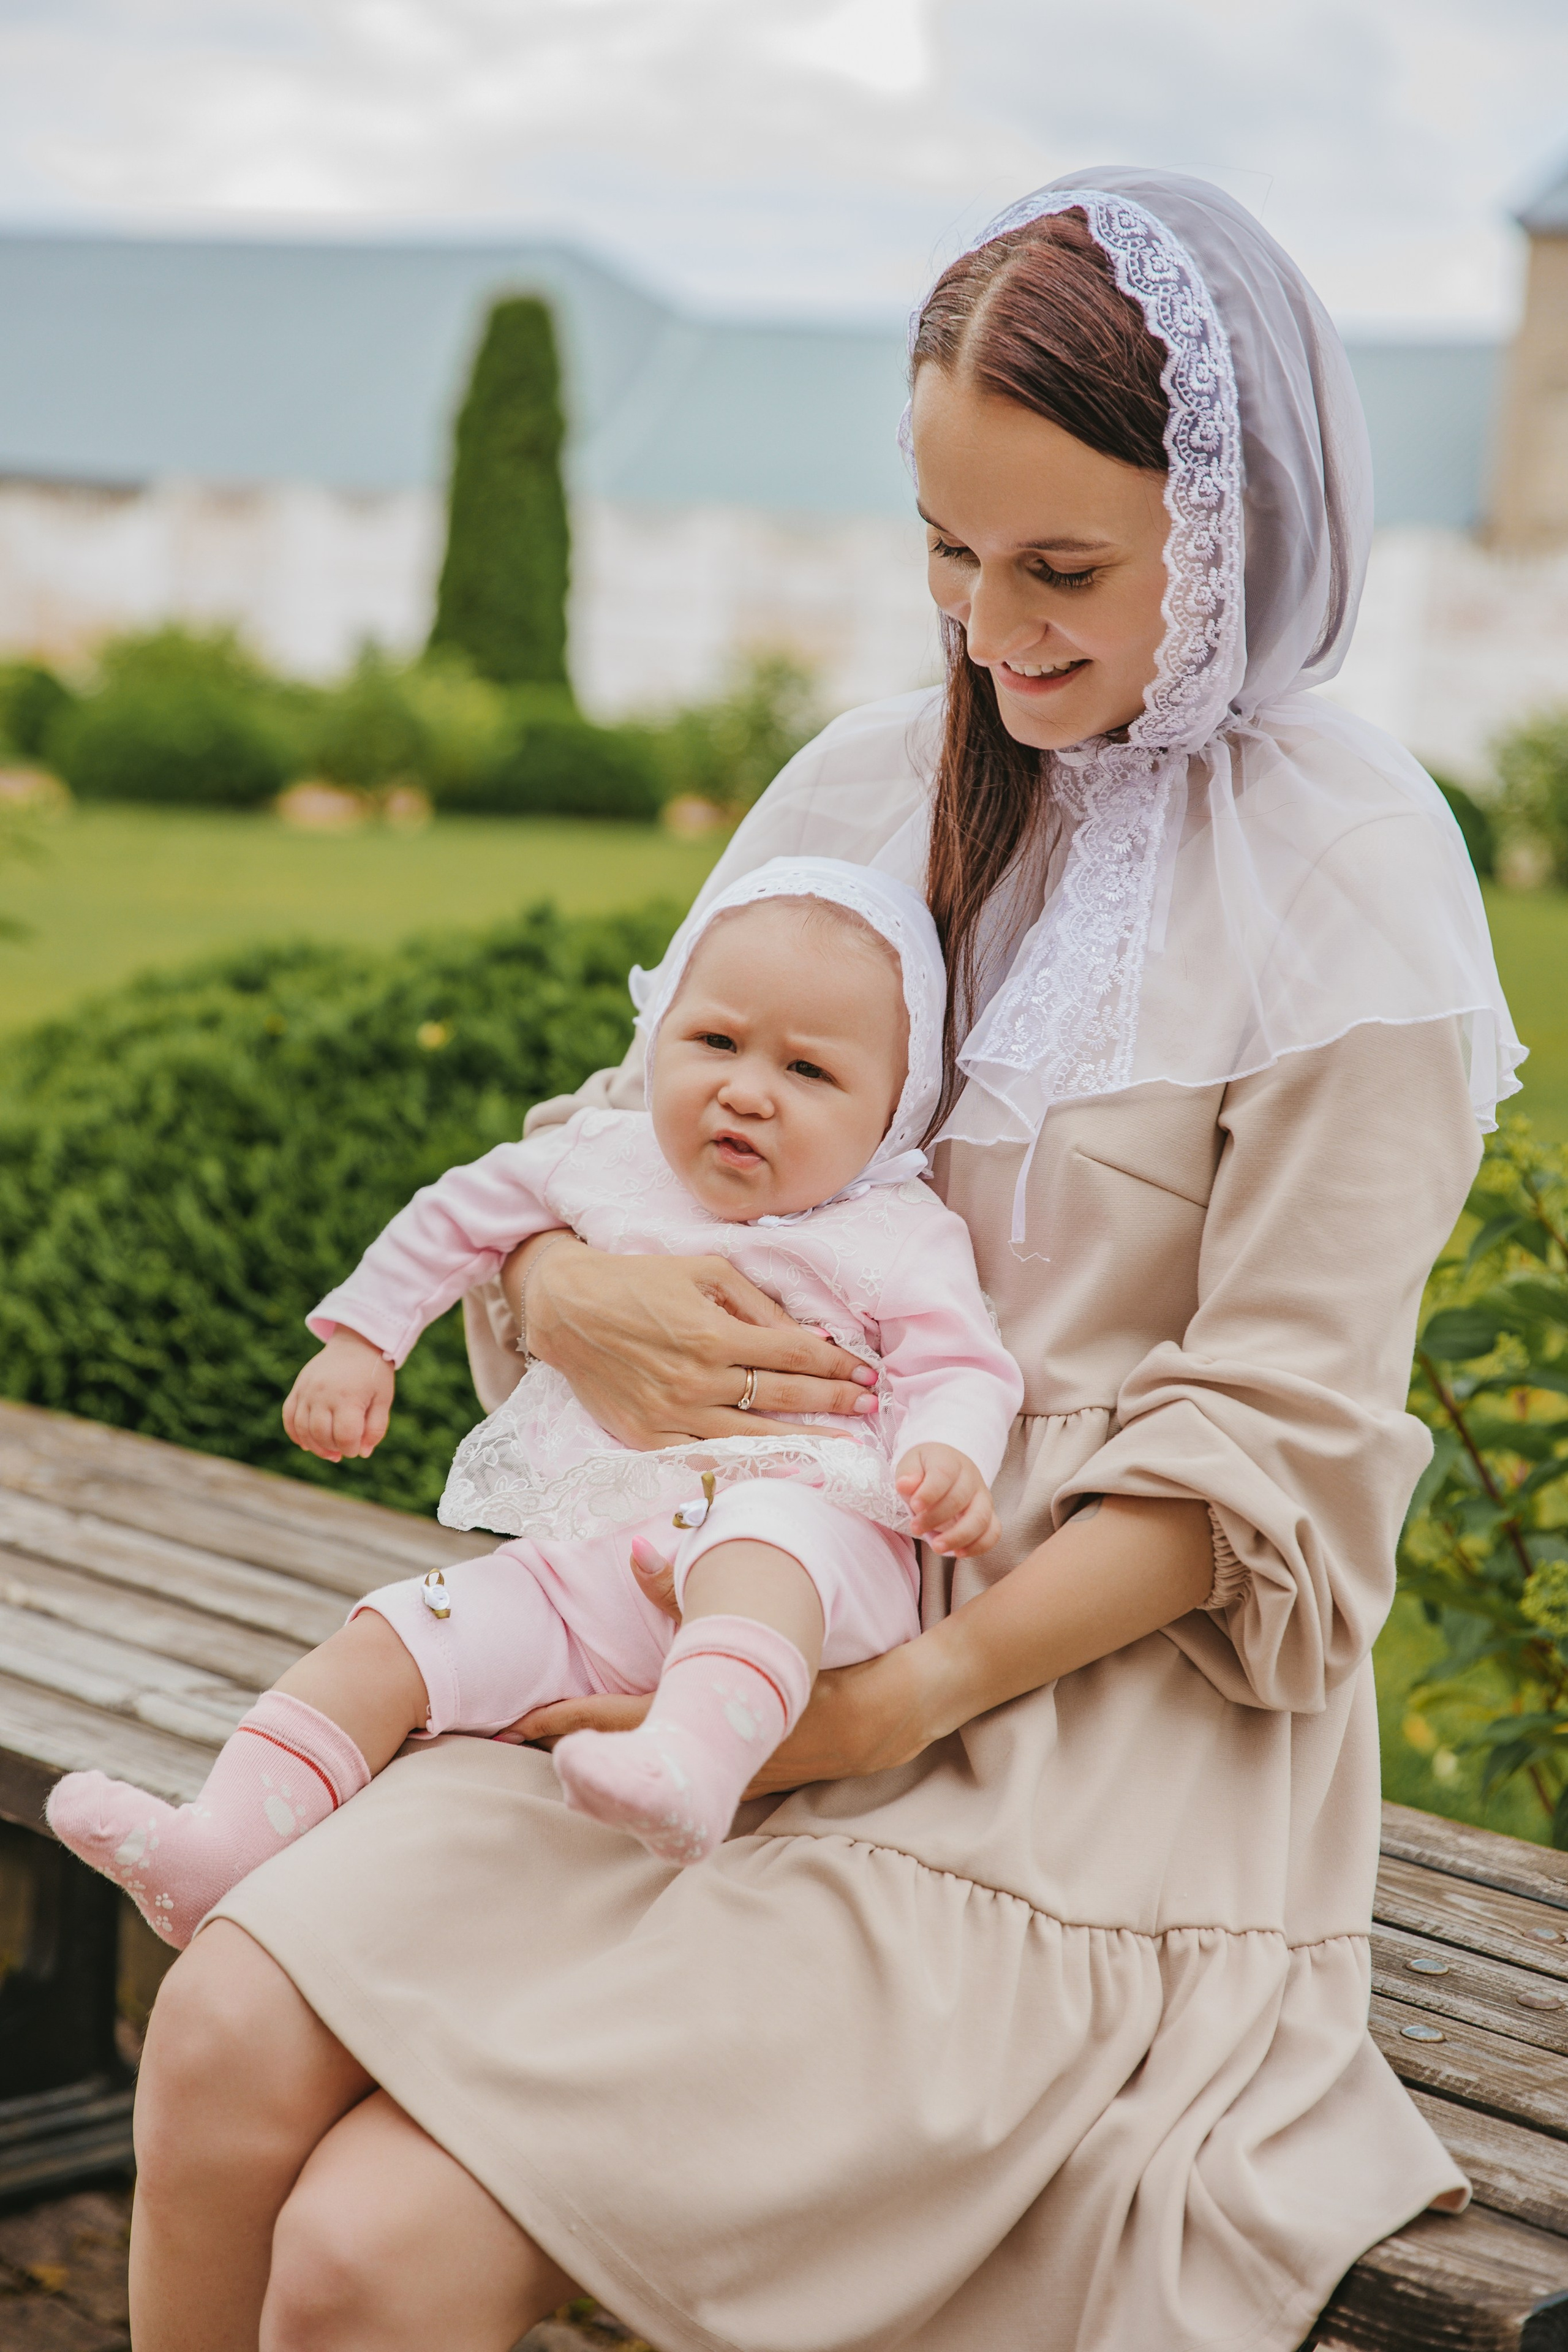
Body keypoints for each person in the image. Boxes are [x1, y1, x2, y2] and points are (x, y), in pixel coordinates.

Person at [123, 170, 1523, 2352]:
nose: (989, 629)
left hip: (1069, 1722)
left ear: (1240, 527)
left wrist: (876, 1711)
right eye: (949, 555)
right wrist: (561, 1291)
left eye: (1065, 568)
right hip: (727, 1596)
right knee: (214, 2041)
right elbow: (629, 1151)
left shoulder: (1355, 872)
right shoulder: (869, 784)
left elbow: (1272, 1453)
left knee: (373, 2258)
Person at [46, 864, 1020, 1912]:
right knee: (399, 1631)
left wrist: (950, 1457)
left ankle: (691, 1761)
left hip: (807, 1571)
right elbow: (455, 1214)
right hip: (583, 1572)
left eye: (809, 1072)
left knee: (764, 1536)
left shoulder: (895, 1233)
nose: (746, 1089)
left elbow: (962, 1365)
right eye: (716, 1042)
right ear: (663, 1034)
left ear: (893, 1111)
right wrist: (362, 1342)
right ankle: (215, 1847)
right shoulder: (607, 1158)